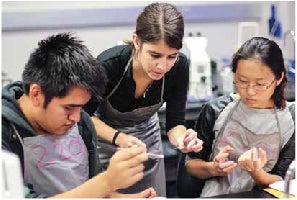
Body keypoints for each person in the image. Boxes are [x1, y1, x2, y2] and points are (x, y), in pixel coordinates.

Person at [1, 32, 156, 198]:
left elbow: (92, 190)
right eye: (69, 107)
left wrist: (123, 197)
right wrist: (107, 181)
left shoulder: (82, 124)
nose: (75, 117)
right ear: (36, 94)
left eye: (80, 107)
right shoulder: (6, 132)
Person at [83, 2, 203, 196]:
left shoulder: (180, 67)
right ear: (136, 41)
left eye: (171, 56)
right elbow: (82, 116)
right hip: (105, 141)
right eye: (155, 55)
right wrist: (119, 138)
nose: (162, 66)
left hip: (148, 142)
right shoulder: (109, 65)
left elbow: (175, 123)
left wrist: (183, 140)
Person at [185, 37, 295, 197]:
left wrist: (256, 172)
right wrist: (213, 168)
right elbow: (191, 164)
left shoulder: (291, 118)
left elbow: (285, 181)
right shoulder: (217, 109)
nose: (250, 91)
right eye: (242, 81)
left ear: (278, 79)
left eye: (260, 84)